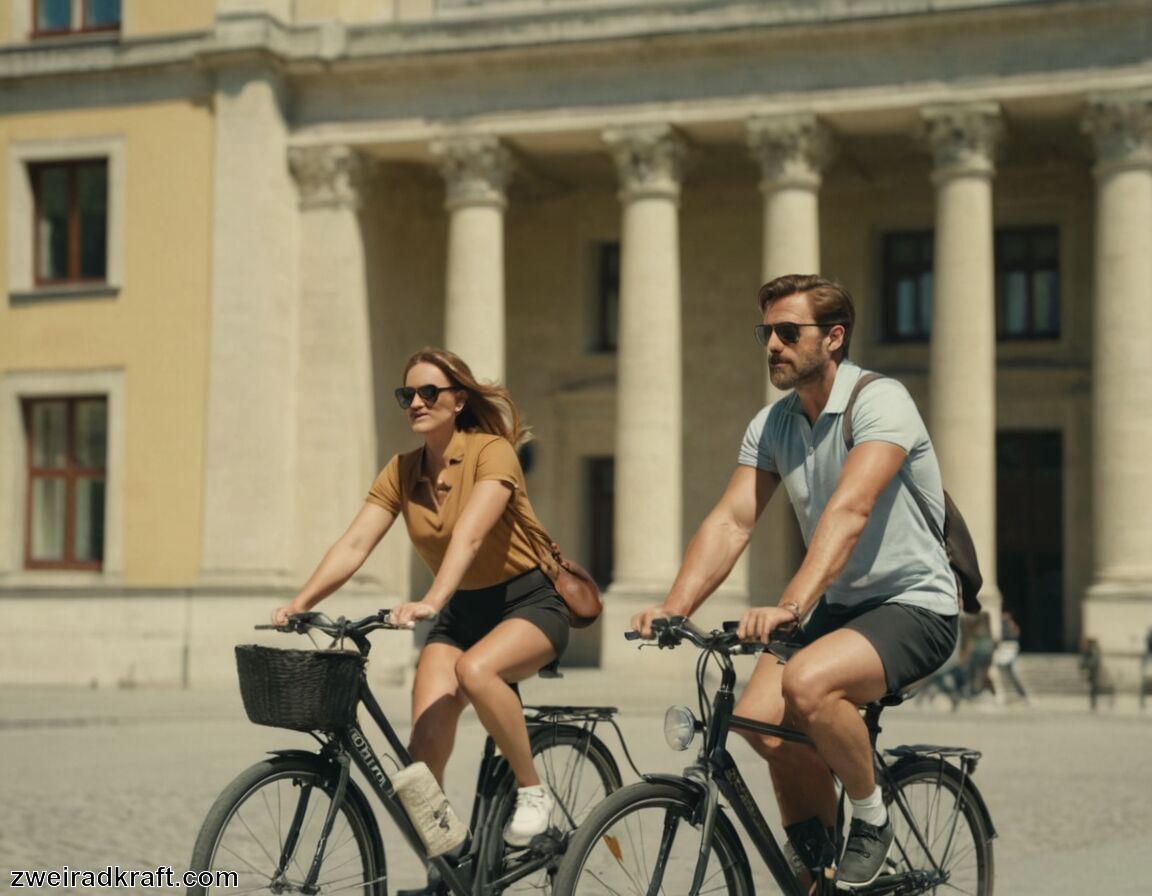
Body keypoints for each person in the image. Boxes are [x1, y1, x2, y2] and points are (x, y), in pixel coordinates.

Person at [631, 274, 960, 890]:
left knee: (808, 683)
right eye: (767, 333)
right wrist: (674, 606)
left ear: (834, 338)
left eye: (789, 332)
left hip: (915, 603)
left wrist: (790, 605)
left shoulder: (880, 402)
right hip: (841, 606)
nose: (773, 345)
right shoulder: (773, 424)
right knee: (757, 718)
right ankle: (822, 860)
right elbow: (732, 521)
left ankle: (870, 818)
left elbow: (849, 510)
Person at [273, 347, 570, 857]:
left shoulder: (491, 451)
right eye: (406, 393)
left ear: (458, 400)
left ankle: (533, 791)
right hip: (461, 613)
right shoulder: (402, 470)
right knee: (422, 756)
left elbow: (472, 535)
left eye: (428, 392)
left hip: (528, 603)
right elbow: (354, 544)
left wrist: (431, 598)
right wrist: (300, 602)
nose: (415, 401)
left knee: (477, 672)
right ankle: (454, 865)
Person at [993, 609, 1029, 704]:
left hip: (1009, 648)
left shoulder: (1011, 624)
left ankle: (1020, 694)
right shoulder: (1001, 624)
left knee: (1009, 672)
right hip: (1004, 648)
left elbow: (1015, 635)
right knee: (1002, 671)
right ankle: (1007, 694)